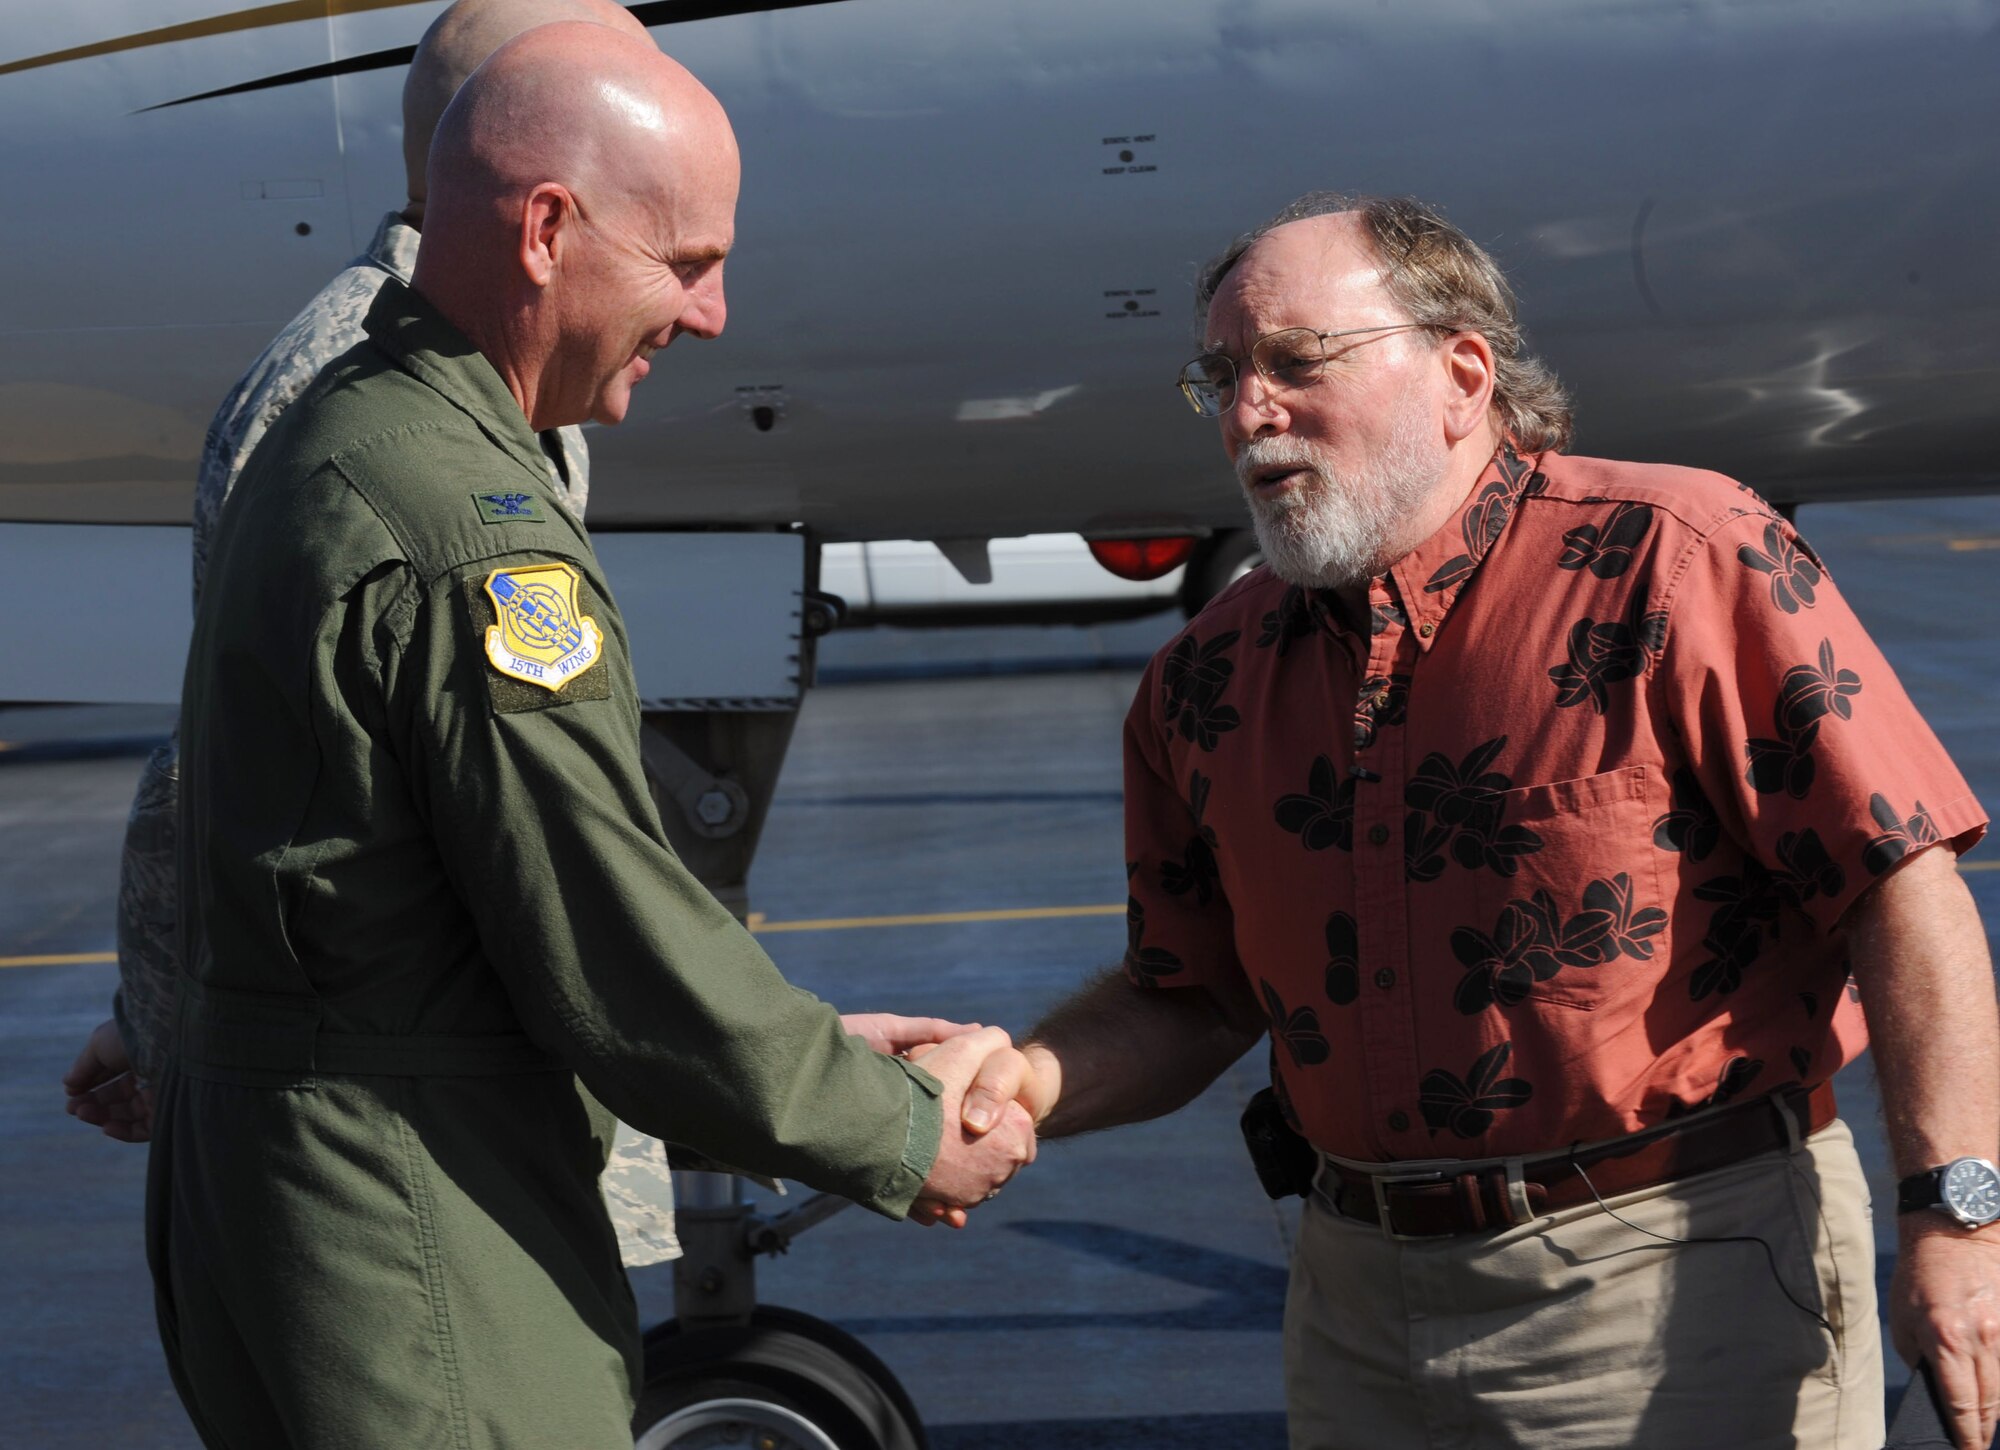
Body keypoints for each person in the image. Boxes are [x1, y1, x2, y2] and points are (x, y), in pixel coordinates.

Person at [953, 193, 2000, 1449]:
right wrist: (1017, 1083)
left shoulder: (1676, 560)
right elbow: (1191, 994)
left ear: (1459, 375)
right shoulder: (1203, 683)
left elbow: (1898, 881)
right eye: (1221, 377)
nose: (1247, 412)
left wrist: (1956, 1215)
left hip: (1680, 1281)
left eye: (1296, 362)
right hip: (1353, 1307)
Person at [145, 23, 1034, 1449]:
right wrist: (896, 1126)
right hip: (415, 1228)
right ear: (547, 229)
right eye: (685, 262)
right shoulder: (470, 531)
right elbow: (602, 927)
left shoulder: (349, 425)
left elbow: (421, 908)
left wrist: (802, 1044)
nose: (713, 315)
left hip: (300, 1198)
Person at [60, 0, 702, 1270]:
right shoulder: (360, 386)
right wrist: (161, 1013)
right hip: (406, 1128)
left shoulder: (463, 350)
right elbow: (234, 759)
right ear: (519, 158)